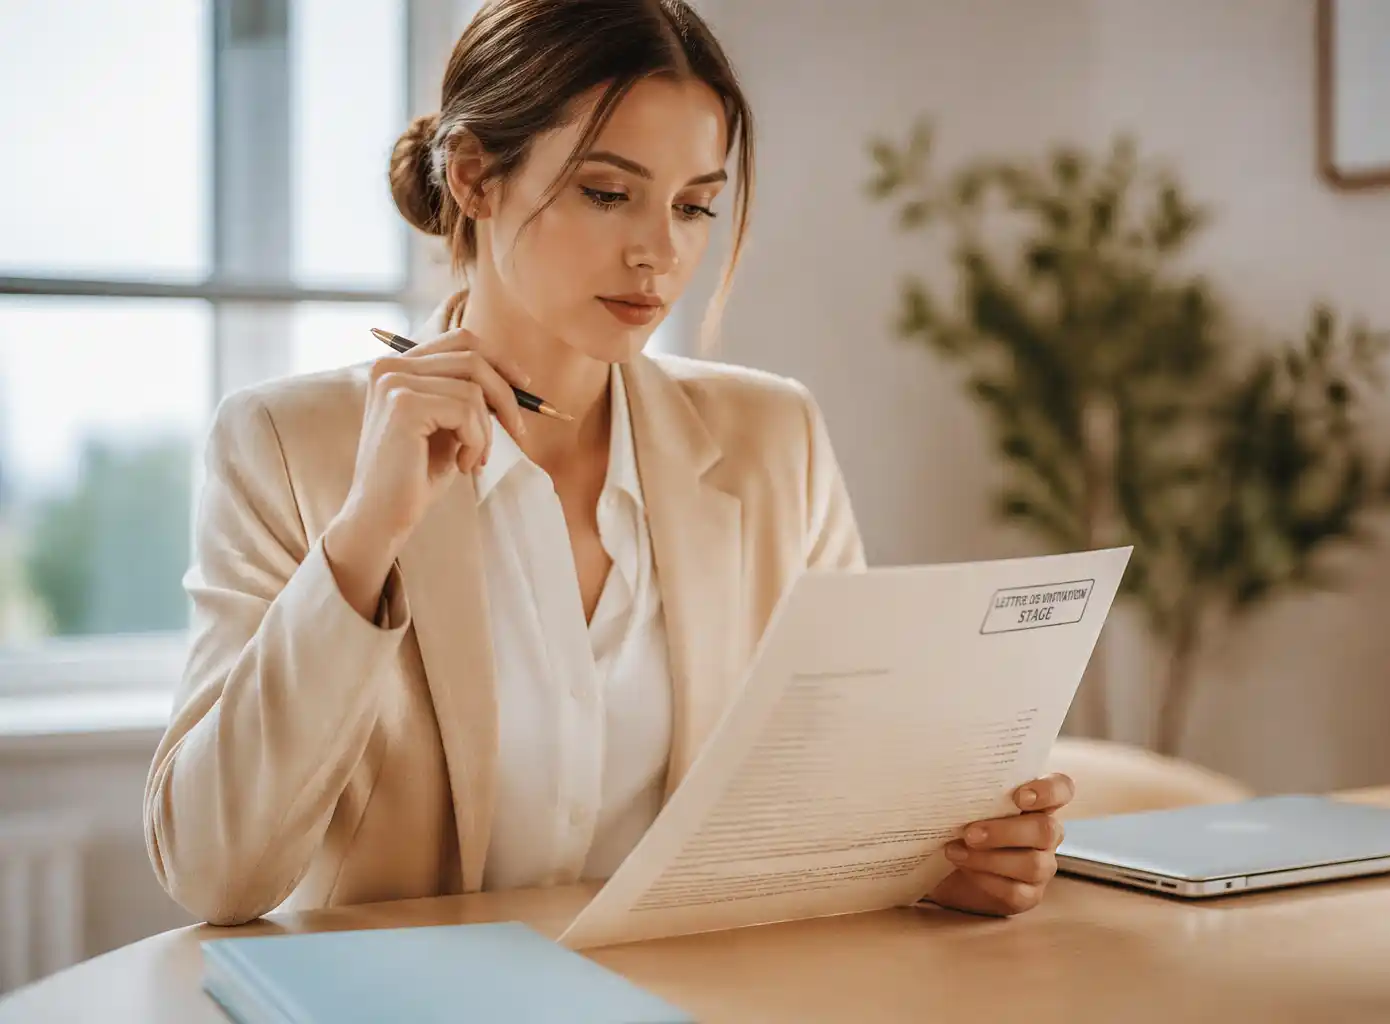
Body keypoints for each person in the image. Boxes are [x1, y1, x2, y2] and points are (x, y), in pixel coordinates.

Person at [144, 0, 1075, 928]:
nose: (660, 253)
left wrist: (931, 855)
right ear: (474, 176)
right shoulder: (286, 445)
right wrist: (362, 543)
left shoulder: (771, 440)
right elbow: (215, 873)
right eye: (606, 192)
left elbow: (838, 790)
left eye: (694, 205)